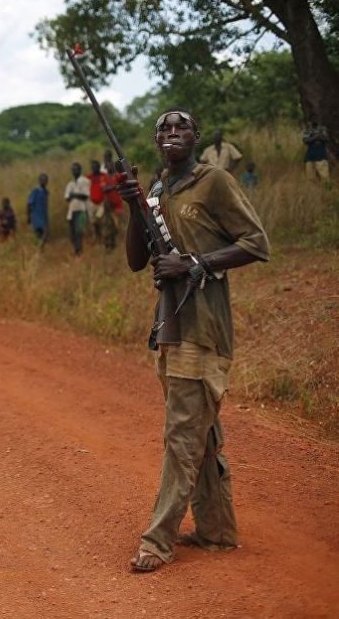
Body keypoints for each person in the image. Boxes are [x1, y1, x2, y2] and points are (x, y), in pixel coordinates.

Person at [118, 108, 269, 573]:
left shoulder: (215, 181)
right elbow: (136, 261)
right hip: (171, 326)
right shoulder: (160, 190)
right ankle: (216, 531)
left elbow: (256, 243)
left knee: (182, 435)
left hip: (205, 329)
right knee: (200, 431)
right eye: (163, 128)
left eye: (181, 126)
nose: (172, 132)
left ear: (196, 137)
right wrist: (134, 207)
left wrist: (195, 263)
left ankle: (157, 540)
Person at [63, 163, 90, 257]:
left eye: (75, 169)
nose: (74, 171)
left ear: (80, 170)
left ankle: (79, 252)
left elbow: (85, 196)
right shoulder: (70, 184)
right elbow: (67, 197)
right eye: (73, 169)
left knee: (79, 231)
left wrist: (73, 195)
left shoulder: (85, 181)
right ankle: (77, 250)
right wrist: (76, 195)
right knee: (72, 233)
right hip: (71, 211)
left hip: (81, 209)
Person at [302, 115, 330, 182]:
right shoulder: (308, 130)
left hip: (321, 155)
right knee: (310, 178)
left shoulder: (323, 129)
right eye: (313, 119)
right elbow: (305, 140)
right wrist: (316, 137)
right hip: (310, 156)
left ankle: (326, 190)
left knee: (325, 177)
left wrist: (314, 137)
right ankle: (313, 191)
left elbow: (326, 139)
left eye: (316, 119)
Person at [26, 173, 49, 247]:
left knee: (41, 235)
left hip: (43, 216)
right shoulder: (35, 191)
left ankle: (39, 251)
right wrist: (28, 216)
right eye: (42, 180)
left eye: (45, 180)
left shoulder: (46, 192)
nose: (44, 181)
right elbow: (29, 204)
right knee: (43, 232)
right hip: (36, 216)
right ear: (39, 180)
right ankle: (39, 249)